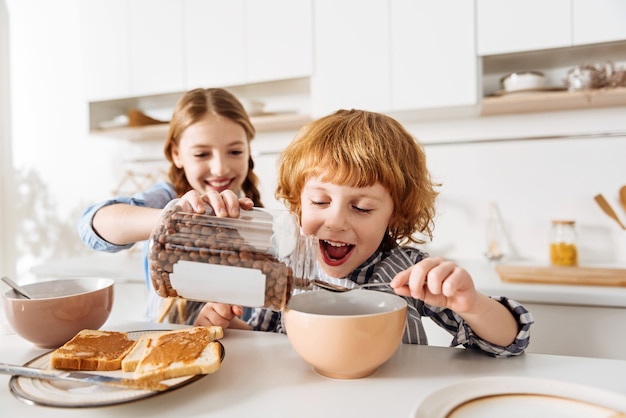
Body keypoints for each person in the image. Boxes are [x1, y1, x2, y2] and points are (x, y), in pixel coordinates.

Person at [190, 109, 534, 356]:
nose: (336, 221)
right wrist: (232, 329)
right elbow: (265, 347)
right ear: (298, 203)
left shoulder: (410, 272)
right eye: (320, 201)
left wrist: (471, 304)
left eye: (362, 208)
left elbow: (509, 342)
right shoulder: (281, 269)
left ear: (394, 215)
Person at [78, 87, 263, 324]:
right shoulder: (166, 199)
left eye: (235, 151)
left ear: (248, 150)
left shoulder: (255, 215)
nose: (220, 168)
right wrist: (174, 219)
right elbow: (92, 225)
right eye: (201, 154)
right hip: (164, 348)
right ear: (177, 154)